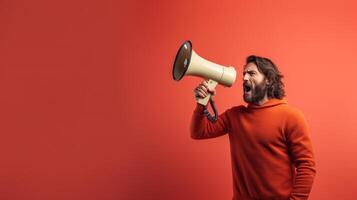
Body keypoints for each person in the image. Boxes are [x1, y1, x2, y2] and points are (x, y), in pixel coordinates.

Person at [191, 55, 316, 200]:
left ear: (268, 80)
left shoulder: (291, 116)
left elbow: (307, 166)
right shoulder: (234, 116)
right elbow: (198, 132)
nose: (244, 78)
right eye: (244, 73)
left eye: (251, 73)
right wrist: (202, 104)